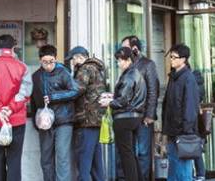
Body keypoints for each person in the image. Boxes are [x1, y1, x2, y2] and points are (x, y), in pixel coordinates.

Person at [0, 34, 32, 181]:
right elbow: (26, 91)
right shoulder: (23, 67)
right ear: (13, 47)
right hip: (16, 120)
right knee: (15, 160)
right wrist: (10, 109)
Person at [31, 45, 80, 181]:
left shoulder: (63, 72)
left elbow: (75, 91)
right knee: (46, 158)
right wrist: (37, 122)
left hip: (64, 121)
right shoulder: (36, 76)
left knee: (63, 157)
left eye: (51, 61)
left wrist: (54, 96)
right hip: (45, 124)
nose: (48, 65)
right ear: (40, 60)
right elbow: (33, 100)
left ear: (56, 59)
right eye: (45, 62)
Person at [100, 46, 147, 181]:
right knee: (131, 153)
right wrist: (113, 98)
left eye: (120, 60)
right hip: (134, 117)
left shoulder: (129, 75)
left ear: (128, 60)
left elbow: (123, 100)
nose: (118, 63)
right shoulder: (136, 73)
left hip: (124, 118)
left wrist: (108, 102)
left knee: (126, 154)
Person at [121, 36, 160, 181]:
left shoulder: (147, 64)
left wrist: (149, 114)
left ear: (134, 48)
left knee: (143, 152)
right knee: (129, 151)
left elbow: (153, 90)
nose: (122, 50)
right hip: (127, 116)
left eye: (125, 47)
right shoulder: (125, 65)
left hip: (143, 116)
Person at [69, 46, 108, 181]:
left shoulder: (85, 69)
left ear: (79, 57)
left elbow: (77, 90)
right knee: (97, 165)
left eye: (73, 59)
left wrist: (58, 95)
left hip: (86, 119)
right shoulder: (97, 69)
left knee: (83, 162)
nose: (73, 63)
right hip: (95, 119)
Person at [162, 44, 200, 181]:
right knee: (173, 168)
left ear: (183, 59)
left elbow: (190, 108)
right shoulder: (173, 77)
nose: (171, 60)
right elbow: (168, 105)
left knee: (183, 170)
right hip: (172, 130)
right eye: (170, 57)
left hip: (183, 133)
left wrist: (186, 131)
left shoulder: (188, 78)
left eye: (174, 57)